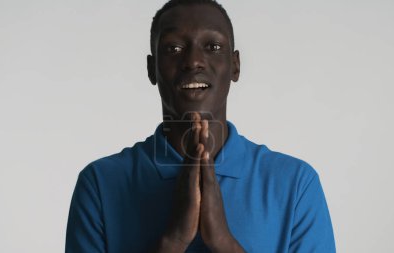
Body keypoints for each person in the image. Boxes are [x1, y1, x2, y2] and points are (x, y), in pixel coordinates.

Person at [65, 0, 336, 252]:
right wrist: (173, 240)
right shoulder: (100, 184)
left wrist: (223, 241)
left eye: (213, 47)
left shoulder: (295, 184)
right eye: (173, 48)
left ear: (235, 65)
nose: (193, 61)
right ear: (152, 68)